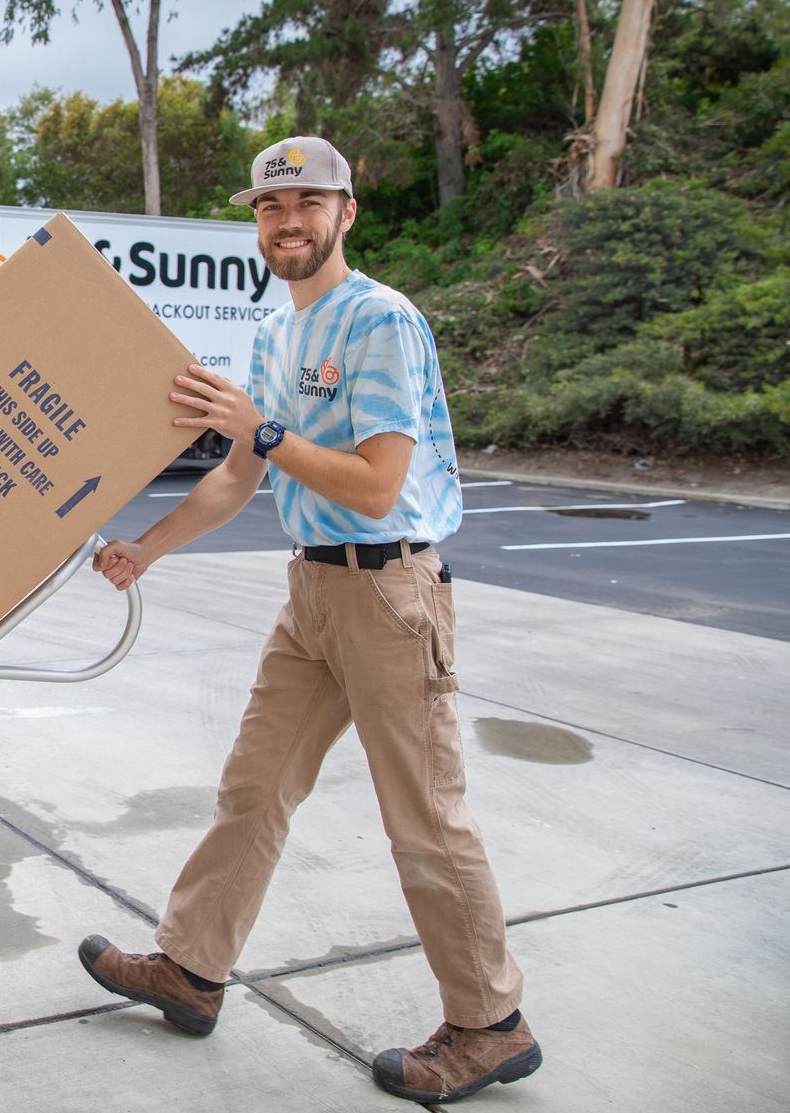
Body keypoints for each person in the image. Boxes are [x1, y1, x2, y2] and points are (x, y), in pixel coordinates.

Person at [79, 136, 541, 1104]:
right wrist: (146, 546)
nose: (287, 221)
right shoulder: (277, 333)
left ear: (346, 211)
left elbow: (378, 487)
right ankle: (191, 968)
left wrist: (266, 428)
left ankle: (490, 1021)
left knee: (423, 818)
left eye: (307, 203)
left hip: (387, 591)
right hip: (312, 595)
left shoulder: (381, 321)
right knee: (253, 787)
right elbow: (239, 474)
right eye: (270, 206)